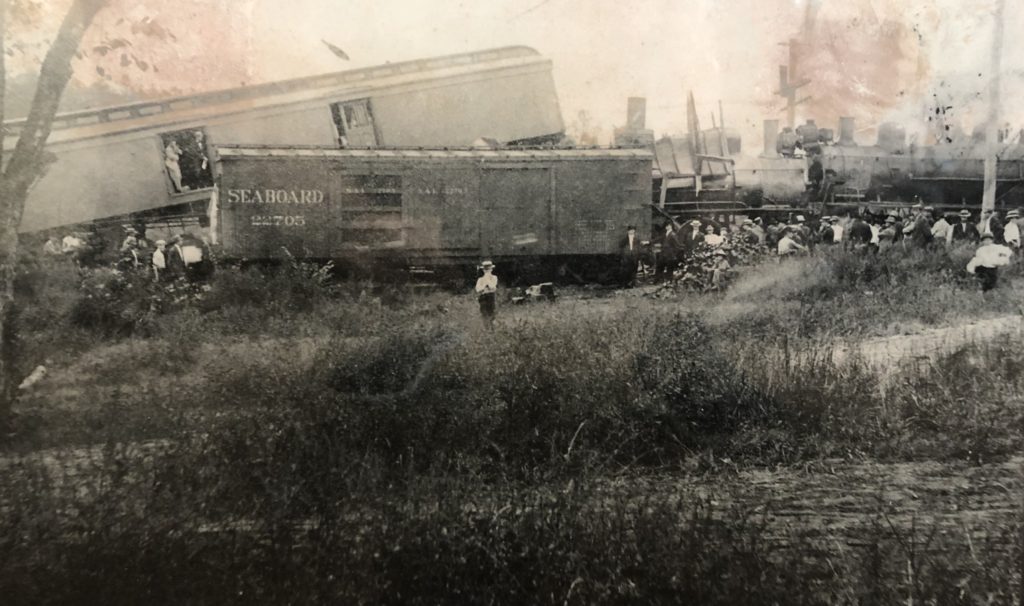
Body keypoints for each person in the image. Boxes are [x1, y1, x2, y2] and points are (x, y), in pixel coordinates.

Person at [474, 260, 498, 329]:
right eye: (485, 269)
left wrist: (487, 279)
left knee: (491, 313)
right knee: (484, 313)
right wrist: (485, 284)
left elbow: (492, 287)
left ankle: (492, 328)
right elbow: (478, 289)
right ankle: (486, 328)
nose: (487, 271)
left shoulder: (494, 277)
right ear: (483, 270)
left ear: (491, 269)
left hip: (491, 296)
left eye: (489, 269)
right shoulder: (480, 279)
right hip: (483, 297)